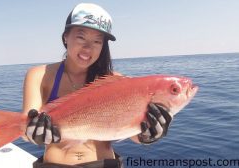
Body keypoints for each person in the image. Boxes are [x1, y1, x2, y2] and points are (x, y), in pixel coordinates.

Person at [23, 3, 173, 168]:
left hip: (105, 164)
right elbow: (24, 129)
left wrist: (149, 134)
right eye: (81, 37)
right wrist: (33, 132)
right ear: (66, 36)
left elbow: (133, 133)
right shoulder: (39, 75)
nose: (88, 48)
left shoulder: (117, 82)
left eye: (97, 41)